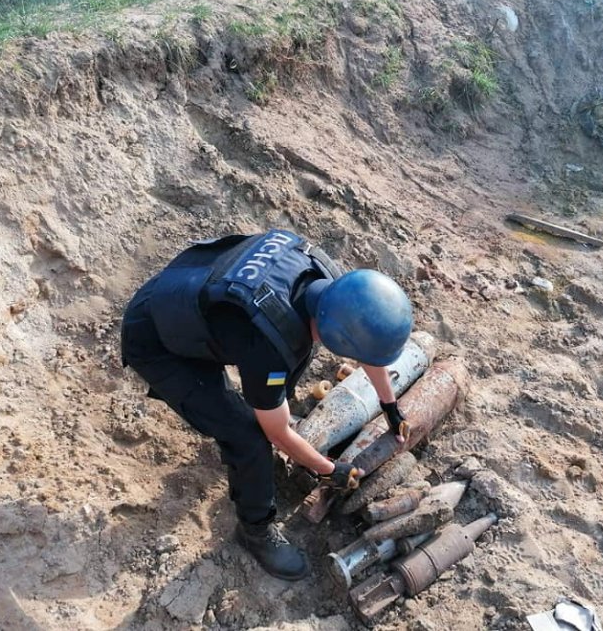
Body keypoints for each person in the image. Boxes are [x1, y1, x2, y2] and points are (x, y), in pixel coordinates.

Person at [120, 229, 413, 580]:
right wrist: (328, 469)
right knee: (247, 435)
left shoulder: (331, 284)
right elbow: (276, 432)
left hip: (186, 292)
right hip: (156, 339)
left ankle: (259, 408)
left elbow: (367, 346)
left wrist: (390, 406)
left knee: (267, 388)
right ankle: (255, 530)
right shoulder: (269, 346)